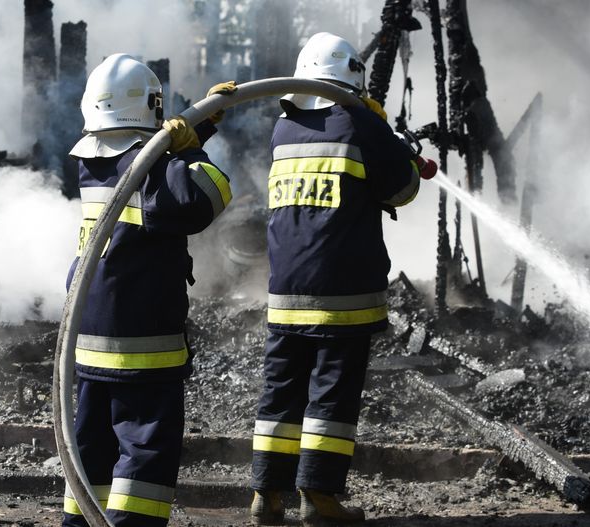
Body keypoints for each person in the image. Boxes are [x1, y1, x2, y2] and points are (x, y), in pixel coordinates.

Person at [249, 32, 436, 526]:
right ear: (354, 77)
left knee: (281, 390)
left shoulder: (284, 127)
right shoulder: (360, 121)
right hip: (342, 292)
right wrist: (394, 146)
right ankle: (319, 496)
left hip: (285, 288)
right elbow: (401, 189)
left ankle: (267, 496)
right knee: (332, 391)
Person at [62, 53, 235, 527]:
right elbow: (206, 195)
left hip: (90, 336)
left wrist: (198, 128)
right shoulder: (150, 167)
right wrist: (191, 151)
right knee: (144, 451)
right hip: (140, 345)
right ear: (152, 107)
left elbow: (156, 179)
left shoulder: (95, 163)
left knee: (91, 445)